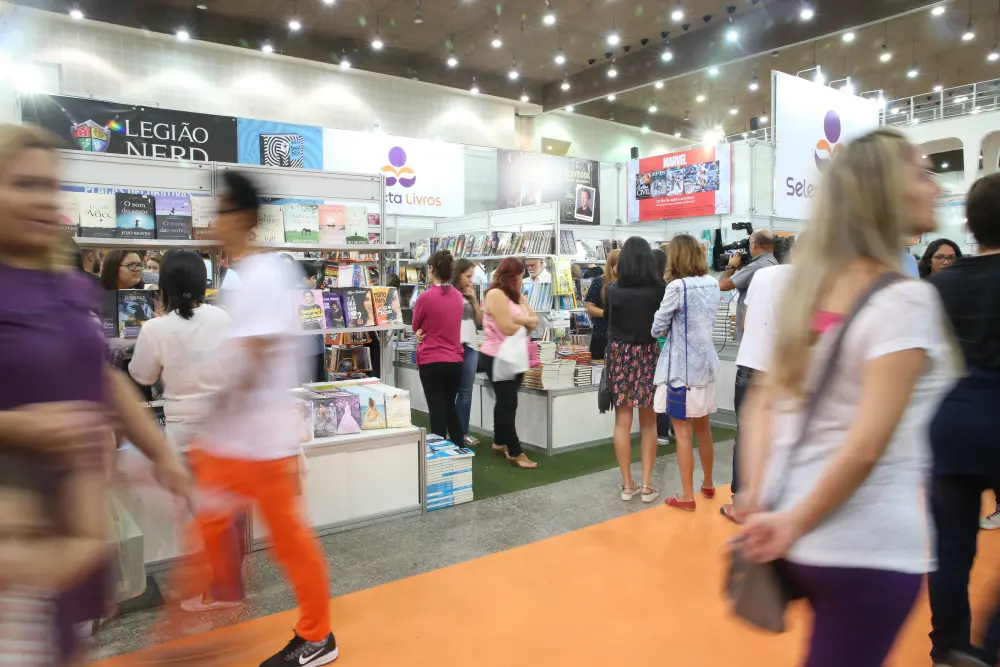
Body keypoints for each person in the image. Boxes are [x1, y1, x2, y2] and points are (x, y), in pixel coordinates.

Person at [737, 129, 953, 667]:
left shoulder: (813, 290)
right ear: (884, 191)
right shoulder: (905, 300)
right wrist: (792, 521)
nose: (937, 188)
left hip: (802, 534)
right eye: (921, 175)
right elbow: (866, 444)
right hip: (867, 545)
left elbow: (765, 399)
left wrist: (760, 498)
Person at [0, 123, 189, 666]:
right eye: (24, 185)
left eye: (49, 186)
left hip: (73, 517)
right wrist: (26, 426)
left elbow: (102, 378)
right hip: (16, 527)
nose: (43, 201)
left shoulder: (70, 287)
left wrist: (159, 453)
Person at [175, 170, 338, 667]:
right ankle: (188, 631)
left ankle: (318, 636)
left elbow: (258, 353)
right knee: (209, 524)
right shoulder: (245, 274)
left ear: (243, 217)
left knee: (288, 539)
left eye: (222, 211)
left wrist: (216, 407)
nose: (214, 221)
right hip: (235, 439)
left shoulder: (264, 274)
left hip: (262, 441)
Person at [128, 250, 241, 611]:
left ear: (164, 285)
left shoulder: (156, 328)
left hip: (183, 431)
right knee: (223, 508)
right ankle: (228, 584)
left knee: (198, 512)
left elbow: (141, 375)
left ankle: (220, 589)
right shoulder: (222, 318)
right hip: (223, 427)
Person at [926, 173, 1000, 666]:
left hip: (951, 422)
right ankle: (992, 645)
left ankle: (948, 646)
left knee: (950, 549)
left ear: (969, 226)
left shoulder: (940, 286)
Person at [721, 236, 798, 522]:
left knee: (747, 435)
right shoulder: (810, 281)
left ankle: (741, 503)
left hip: (752, 363)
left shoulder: (762, 276)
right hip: (788, 370)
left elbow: (744, 322)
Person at [652, 235, 720, 510]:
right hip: (706, 365)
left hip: (680, 370)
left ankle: (687, 496)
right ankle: (709, 484)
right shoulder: (713, 283)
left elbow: (657, 328)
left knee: (682, 433)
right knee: (704, 429)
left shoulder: (676, 287)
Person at [605, 237, 665, 502]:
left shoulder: (611, 290)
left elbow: (609, 323)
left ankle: (627, 485)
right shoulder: (660, 291)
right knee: (649, 421)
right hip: (649, 354)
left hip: (620, 355)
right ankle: (648, 484)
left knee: (622, 421)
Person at [480, 257, 540, 469]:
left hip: (515, 354)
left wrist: (521, 321)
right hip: (498, 355)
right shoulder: (495, 294)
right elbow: (507, 328)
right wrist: (525, 322)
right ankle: (515, 451)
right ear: (512, 275)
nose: (522, 280)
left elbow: (535, 320)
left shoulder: (516, 295)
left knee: (506, 401)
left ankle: (499, 442)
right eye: (520, 276)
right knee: (508, 402)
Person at [412, 250, 465, 447]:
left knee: (436, 411)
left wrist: (420, 332)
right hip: (455, 360)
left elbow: (415, 325)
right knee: (450, 407)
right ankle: (459, 448)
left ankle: (439, 454)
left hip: (431, 360)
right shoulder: (458, 296)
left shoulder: (425, 298)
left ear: (432, 269)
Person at [718, 228, 778, 343]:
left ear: (754, 244)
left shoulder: (757, 266)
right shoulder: (774, 263)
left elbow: (722, 285)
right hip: (764, 329)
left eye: (749, 244)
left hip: (748, 332)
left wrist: (731, 266)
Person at [453, 258, 483, 446]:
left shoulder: (471, 294)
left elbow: (479, 321)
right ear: (458, 274)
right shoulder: (448, 294)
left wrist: (473, 300)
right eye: (468, 276)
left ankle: (462, 432)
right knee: (449, 392)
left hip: (470, 346)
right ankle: (449, 431)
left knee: (466, 392)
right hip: (452, 346)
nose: (471, 280)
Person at [652, 246, 673, 446]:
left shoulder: (661, 289)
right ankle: (669, 429)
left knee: (660, 389)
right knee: (671, 387)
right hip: (670, 343)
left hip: (657, 343)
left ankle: (662, 432)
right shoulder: (667, 288)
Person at [583, 249, 619, 362]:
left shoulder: (629, 283)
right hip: (601, 335)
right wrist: (608, 314)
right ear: (612, 264)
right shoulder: (599, 281)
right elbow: (589, 307)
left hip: (622, 337)